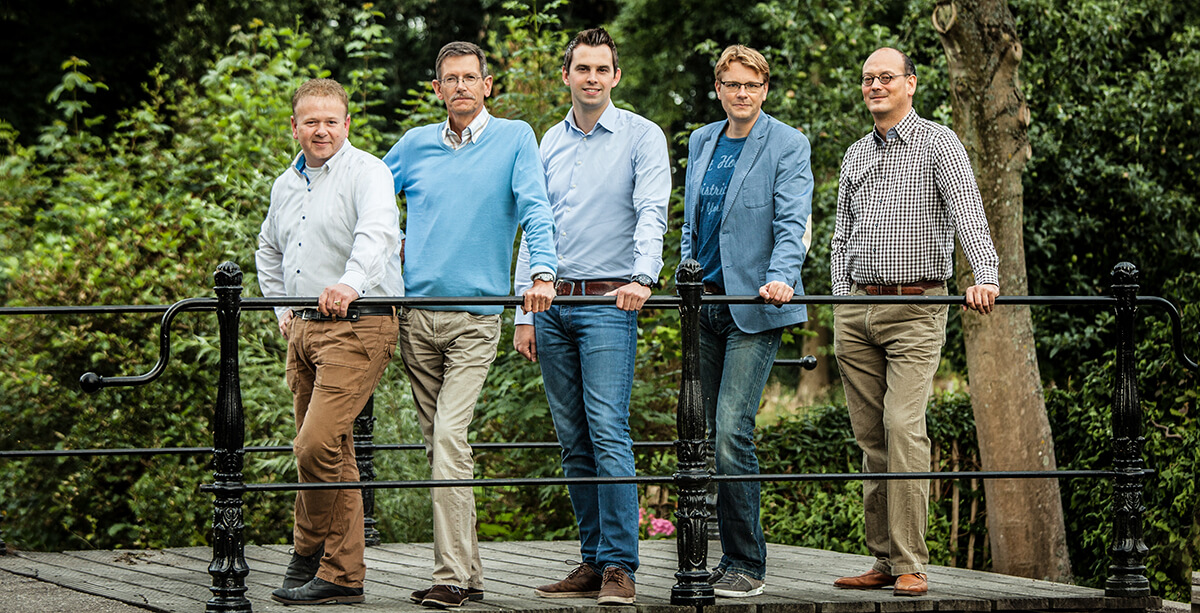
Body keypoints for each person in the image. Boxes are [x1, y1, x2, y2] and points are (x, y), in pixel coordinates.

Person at [381, 41, 558, 609]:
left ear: (487, 85)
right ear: (437, 89)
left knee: (449, 438)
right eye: (450, 79)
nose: (460, 86)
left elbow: (535, 209)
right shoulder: (415, 144)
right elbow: (367, 194)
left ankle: (450, 576)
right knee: (439, 447)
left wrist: (543, 273)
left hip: (475, 320)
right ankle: (470, 574)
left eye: (469, 77)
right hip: (416, 318)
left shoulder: (515, 138)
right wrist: (391, 242)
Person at [830, 47, 1000, 597]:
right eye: (867, 79)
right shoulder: (856, 153)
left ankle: (911, 563)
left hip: (916, 307)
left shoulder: (938, 142)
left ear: (911, 83)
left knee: (903, 426)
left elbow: (968, 213)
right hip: (857, 308)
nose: (875, 86)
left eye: (886, 77)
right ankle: (882, 560)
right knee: (871, 437)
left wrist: (985, 275)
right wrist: (840, 300)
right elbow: (841, 235)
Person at [513, 28, 670, 607]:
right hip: (550, 304)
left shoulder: (642, 136)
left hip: (609, 303)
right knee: (573, 438)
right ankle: (592, 558)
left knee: (607, 430)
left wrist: (643, 277)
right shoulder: (546, 143)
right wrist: (523, 311)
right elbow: (534, 224)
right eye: (583, 68)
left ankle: (620, 567)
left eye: (602, 69)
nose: (592, 78)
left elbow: (652, 210)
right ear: (567, 75)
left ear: (616, 76)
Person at [256, 78, 403, 606]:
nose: (321, 130)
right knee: (328, 448)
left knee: (315, 444)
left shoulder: (368, 171)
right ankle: (323, 565)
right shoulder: (285, 184)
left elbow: (378, 234)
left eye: (331, 121)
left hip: (359, 321)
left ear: (347, 124)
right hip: (304, 328)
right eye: (311, 121)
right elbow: (268, 249)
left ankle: (325, 563)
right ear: (294, 126)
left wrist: (350, 282)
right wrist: (282, 309)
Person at [680, 44, 813, 598]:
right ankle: (715, 557)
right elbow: (691, 221)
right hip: (703, 306)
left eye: (752, 85)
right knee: (705, 435)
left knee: (733, 431)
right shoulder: (702, 140)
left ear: (765, 89)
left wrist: (782, 275)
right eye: (733, 84)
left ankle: (747, 563)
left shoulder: (787, 143)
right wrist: (684, 273)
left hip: (757, 306)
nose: (742, 94)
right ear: (719, 89)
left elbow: (792, 222)